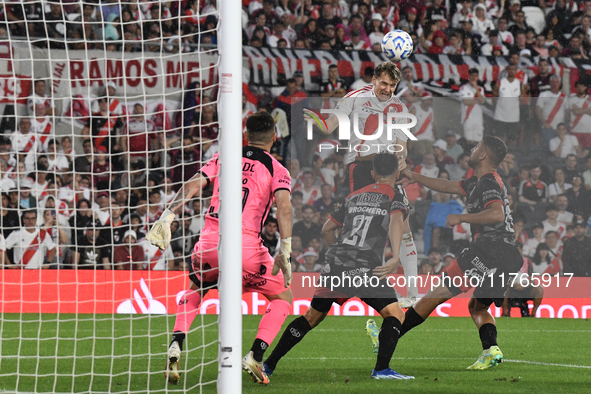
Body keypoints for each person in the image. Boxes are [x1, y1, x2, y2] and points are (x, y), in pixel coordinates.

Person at [146, 112, 293, 385]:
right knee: (284, 297)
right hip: (246, 248)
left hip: (209, 244)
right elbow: (284, 206)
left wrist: (168, 215)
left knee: (195, 289)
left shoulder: (223, 157)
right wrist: (285, 249)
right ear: (275, 137)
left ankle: (176, 344)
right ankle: (256, 356)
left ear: (245, 135)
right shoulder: (277, 169)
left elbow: (192, 184)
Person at [264, 152, 414, 380]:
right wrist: (394, 257)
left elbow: (326, 229)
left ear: (373, 173)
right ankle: (382, 369)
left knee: (311, 317)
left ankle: (268, 365)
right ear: (397, 173)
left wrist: (341, 256)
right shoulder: (396, 196)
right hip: (365, 265)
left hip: (335, 261)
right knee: (395, 314)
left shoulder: (353, 196)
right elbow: (396, 221)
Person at [396, 136, 522, 369]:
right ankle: (490, 350)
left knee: (434, 295)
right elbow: (446, 185)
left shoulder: (487, 183)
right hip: (508, 255)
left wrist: (461, 218)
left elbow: (497, 214)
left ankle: (389, 337)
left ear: (483, 155)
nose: (472, 150)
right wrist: (413, 177)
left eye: (476, 148)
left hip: (488, 249)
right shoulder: (477, 181)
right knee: (477, 307)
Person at [493, 64, 521, 144]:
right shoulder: (500, 83)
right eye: (509, 69)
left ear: (516, 71)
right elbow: (494, 97)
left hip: (513, 117)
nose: (511, 71)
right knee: (499, 138)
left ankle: (510, 155)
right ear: (507, 71)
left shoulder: (519, 84)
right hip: (500, 115)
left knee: (512, 139)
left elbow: (521, 99)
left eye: (513, 69)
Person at [460, 68, 485, 145]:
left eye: (475, 76)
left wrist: (476, 89)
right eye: (472, 76)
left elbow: (482, 101)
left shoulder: (480, 89)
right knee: (469, 141)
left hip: (478, 118)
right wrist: (477, 101)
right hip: (468, 117)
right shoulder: (464, 88)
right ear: (469, 76)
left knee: (477, 141)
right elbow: (465, 101)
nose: (473, 78)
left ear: (477, 77)